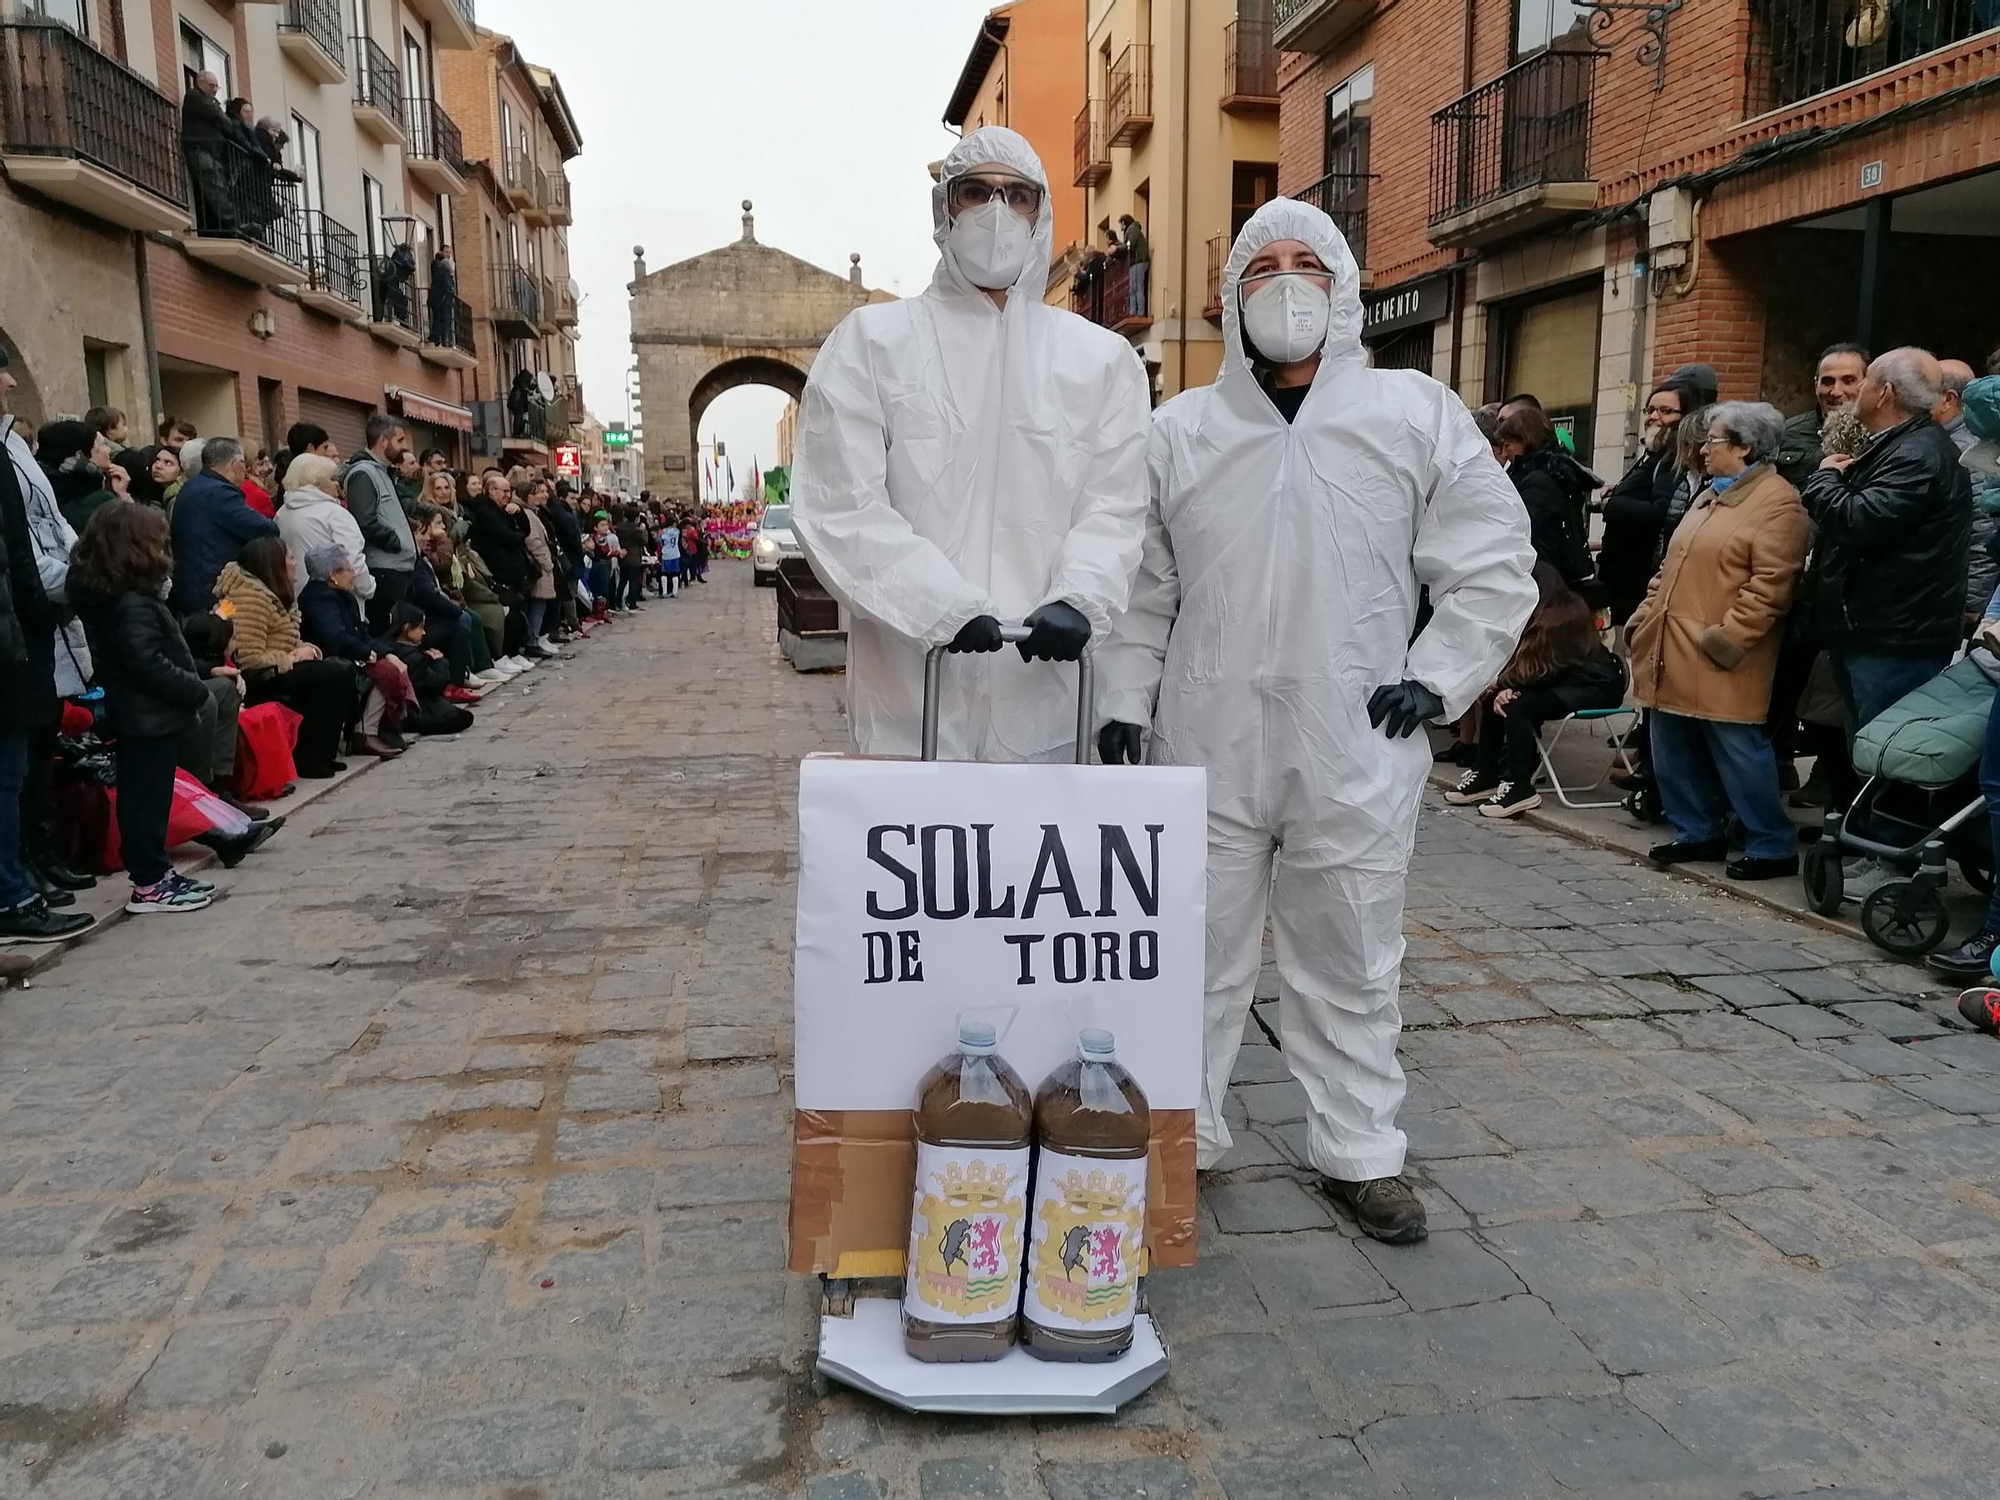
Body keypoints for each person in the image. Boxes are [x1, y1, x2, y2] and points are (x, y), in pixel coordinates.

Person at [1096, 199, 1536, 1244]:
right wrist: (1122, 703)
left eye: (1307, 263)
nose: (1284, 284)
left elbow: (1487, 559)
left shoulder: (1411, 412)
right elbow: (1140, 585)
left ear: (1341, 289)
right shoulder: (1179, 433)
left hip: (1356, 738)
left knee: (1349, 952)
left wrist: (1436, 677)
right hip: (1202, 739)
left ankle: (1359, 1150)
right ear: (1231, 295)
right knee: (1190, 954)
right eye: (1260, 267)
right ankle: (1180, 1135)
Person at [791, 126, 1151, 760]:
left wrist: (1079, 598)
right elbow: (840, 507)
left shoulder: (1099, 361)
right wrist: (940, 606)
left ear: (1040, 214)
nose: (995, 212)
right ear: (944, 210)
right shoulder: (873, 345)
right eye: (975, 192)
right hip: (911, 701)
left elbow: (1115, 511)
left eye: (1016, 196)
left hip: (1047, 707)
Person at [1628, 401, 1809, 879]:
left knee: (1738, 749)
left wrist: (1726, 640)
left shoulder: (1777, 502)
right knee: (1671, 745)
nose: (1703, 449)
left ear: (1746, 447)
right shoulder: (1710, 495)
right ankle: (1696, 832)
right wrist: (1644, 618)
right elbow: (1670, 567)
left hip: (1722, 656)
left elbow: (1772, 586)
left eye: (1714, 441)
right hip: (1670, 647)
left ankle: (1771, 844)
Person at [1798, 347, 1972, 735]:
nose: (1853, 392)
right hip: (1874, 632)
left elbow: (1860, 520)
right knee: (1866, 752)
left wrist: (1825, 478)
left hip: (1895, 641)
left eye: (1864, 382)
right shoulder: (1896, 445)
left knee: (1884, 761)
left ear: (1885, 393)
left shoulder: (1917, 454)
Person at [68, 505, 214, 914]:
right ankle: (149, 883)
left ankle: (157, 873)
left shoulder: (129, 598)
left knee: (152, 799)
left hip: (150, 715)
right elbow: (146, 660)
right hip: (144, 715)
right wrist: (193, 689)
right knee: (144, 802)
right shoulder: (130, 604)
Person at [0, 379, 94, 941]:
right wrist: (47, 604)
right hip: (18, 628)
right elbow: (18, 553)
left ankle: (28, 868)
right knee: (11, 771)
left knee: (26, 763)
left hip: (29, 623)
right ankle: (13, 893)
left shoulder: (12, 447)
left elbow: (42, 530)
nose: (11, 382)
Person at [1444, 564, 1626, 818]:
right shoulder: (1541, 613)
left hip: (1593, 686)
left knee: (1517, 706)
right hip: (1561, 681)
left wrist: (1508, 687)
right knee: (1493, 701)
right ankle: (1486, 772)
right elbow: (1536, 667)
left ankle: (1520, 785)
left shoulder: (1562, 616)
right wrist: (1506, 687)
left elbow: (1544, 666)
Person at [215, 536, 358, 778]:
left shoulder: (277, 594)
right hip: (263, 676)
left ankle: (322, 754)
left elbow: (290, 638)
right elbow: (249, 657)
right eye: (290, 558)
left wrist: (309, 651)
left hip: (280, 665)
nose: (295, 563)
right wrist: (290, 658)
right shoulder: (251, 597)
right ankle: (310, 758)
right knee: (331, 675)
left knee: (341, 670)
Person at [1597, 379, 1695, 629]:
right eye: (1650, 410)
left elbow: (1660, 512)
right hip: (1623, 580)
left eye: (1665, 411)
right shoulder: (1654, 454)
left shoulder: (1672, 458)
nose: (1654, 417)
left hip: (1639, 581)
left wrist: (1612, 505)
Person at [297, 543, 409, 758]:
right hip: (332, 660)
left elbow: (360, 633)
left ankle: (379, 730)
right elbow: (336, 638)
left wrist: (385, 652)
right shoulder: (319, 599)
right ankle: (364, 734)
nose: (354, 572)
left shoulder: (341, 595)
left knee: (394, 662)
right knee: (384, 673)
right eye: (348, 568)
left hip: (348, 655)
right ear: (333, 575)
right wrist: (370, 655)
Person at [169, 437, 278, 615]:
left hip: (190, 587)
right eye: (244, 464)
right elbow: (266, 529)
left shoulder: (192, 487)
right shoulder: (220, 493)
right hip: (212, 592)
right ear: (236, 464)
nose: (246, 470)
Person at [1493, 404, 1597, 590]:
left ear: (1524, 441)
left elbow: (1524, 529)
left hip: (1546, 578)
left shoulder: (1539, 479)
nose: (1505, 453)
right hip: (1553, 573)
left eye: (1507, 445)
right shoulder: (1551, 472)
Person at [343, 415, 418, 631]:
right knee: (390, 632)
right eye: (400, 440)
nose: (404, 447)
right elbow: (364, 520)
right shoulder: (363, 473)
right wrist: (395, 541)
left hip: (399, 568)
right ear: (383, 441)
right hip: (385, 569)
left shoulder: (383, 472)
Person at [277, 452, 374, 605]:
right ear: (316, 482)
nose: (337, 484)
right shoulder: (334, 514)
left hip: (297, 599)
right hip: (339, 599)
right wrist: (369, 588)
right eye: (332, 479)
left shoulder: (281, 514)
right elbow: (352, 558)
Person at [1777, 342, 1869, 487]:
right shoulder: (1787, 433)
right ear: (1816, 385)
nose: (1836, 392)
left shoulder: (1881, 436)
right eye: (1828, 382)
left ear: (1866, 384)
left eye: (1848, 381)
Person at [35, 419, 126, 534]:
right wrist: (123, 496)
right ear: (80, 456)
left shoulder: (40, 489)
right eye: (103, 445)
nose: (109, 450)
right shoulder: (100, 501)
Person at [180, 71, 235, 233]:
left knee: (219, 187)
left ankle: (226, 224)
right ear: (200, 83)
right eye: (212, 86)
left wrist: (220, 116)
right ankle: (229, 225)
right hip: (199, 149)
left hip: (210, 152)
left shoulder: (211, 102)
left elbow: (228, 125)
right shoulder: (193, 96)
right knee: (213, 184)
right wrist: (218, 114)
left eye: (217, 86)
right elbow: (217, 117)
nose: (215, 90)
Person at [122, 445, 180, 510]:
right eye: (157, 460)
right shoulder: (148, 490)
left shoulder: (178, 497)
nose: (158, 466)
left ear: (182, 470)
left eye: (168, 463)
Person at [1118, 213, 1150, 320]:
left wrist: (1117, 249)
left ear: (1124, 223)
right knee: (1134, 288)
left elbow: (1130, 245)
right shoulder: (1132, 230)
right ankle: (1134, 312)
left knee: (1137, 287)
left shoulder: (1132, 229)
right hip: (1135, 262)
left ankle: (1138, 313)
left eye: (1121, 225)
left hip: (1138, 261)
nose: (1121, 228)